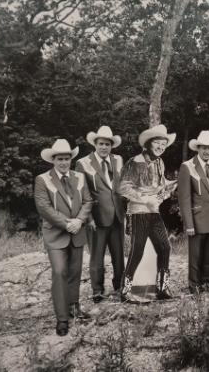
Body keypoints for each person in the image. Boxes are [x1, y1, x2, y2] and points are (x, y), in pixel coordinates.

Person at [34, 139, 93, 336]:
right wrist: (67, 223)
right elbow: (44, 208)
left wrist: (80, 221)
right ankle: (62, 319)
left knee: (75, 272)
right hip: (56, 234)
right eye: (60, 159)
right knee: (60, 272)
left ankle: (74, 308)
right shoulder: (43, 179)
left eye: (67, 158)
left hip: (77, 232)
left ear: (71, 159)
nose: (64, 162)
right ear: (53, 160)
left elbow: (88, 201)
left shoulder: (80, 177)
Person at [117, 124, 177, 303]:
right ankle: (125, 290)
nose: (160, 147)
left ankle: (162, 287)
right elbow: (123, 188)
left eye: (163, 144)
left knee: (165, 247)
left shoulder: (159, 162)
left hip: (154, 211)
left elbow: (158, 183)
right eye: (157, 143)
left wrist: (169, 185)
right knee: (137, 250)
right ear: (149, 143)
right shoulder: (135, 162)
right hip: (138, 212)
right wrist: (145, 199)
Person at [76, 126, 126, 304]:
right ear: (95, 144)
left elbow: (122, 187)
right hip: (96, 218)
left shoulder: (118, 160)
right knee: (97, 255)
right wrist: (88, 218)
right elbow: (82, 193)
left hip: (118, 216)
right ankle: (97, 290)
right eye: (101, 144)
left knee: (119, 255)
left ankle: (120, 287)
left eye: (107, 144)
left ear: (112, 145)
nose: (104, 147)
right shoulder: (84, 163)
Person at [177, 130, 209, 294]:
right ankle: (194, 285)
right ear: (197, 148)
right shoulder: (188, 166)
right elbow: (184, 199)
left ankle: (206, 283)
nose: (207, 151)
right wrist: (188, 224)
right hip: (196, 219)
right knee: (195, 254)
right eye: (204, 148)